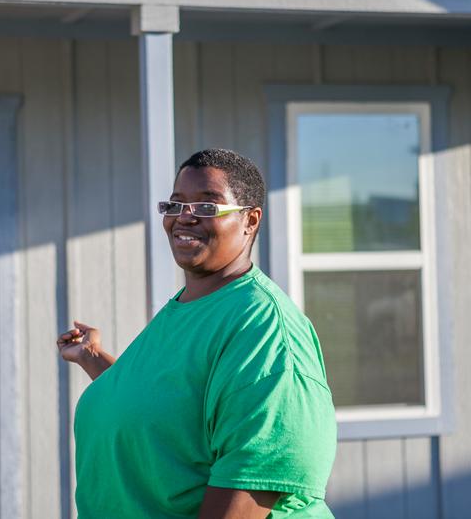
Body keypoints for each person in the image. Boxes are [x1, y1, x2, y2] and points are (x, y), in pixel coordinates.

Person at [58, 149, 337, 518]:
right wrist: (94, 359)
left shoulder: (264, 329)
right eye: (175, 205)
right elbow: (167, 404)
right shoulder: (187, 307)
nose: (183, 218)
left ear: (250, 221)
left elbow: (251, 484)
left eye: (207, 207)